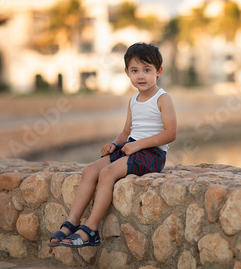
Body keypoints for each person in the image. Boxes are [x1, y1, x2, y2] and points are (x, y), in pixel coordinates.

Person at [49, 42, 177, 248]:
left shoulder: (163, 99)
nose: (141, 76)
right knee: (90, 170)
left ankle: (90, 229)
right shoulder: (133, 100)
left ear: (158, 71)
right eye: (135, 71)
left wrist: (138, 146)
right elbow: (126, 132)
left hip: (152, 153)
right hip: (131, 147)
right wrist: (113, 144)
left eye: (147, 70)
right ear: (127, 73)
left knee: (107, 173)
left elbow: (170, 134)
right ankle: (71, 223)